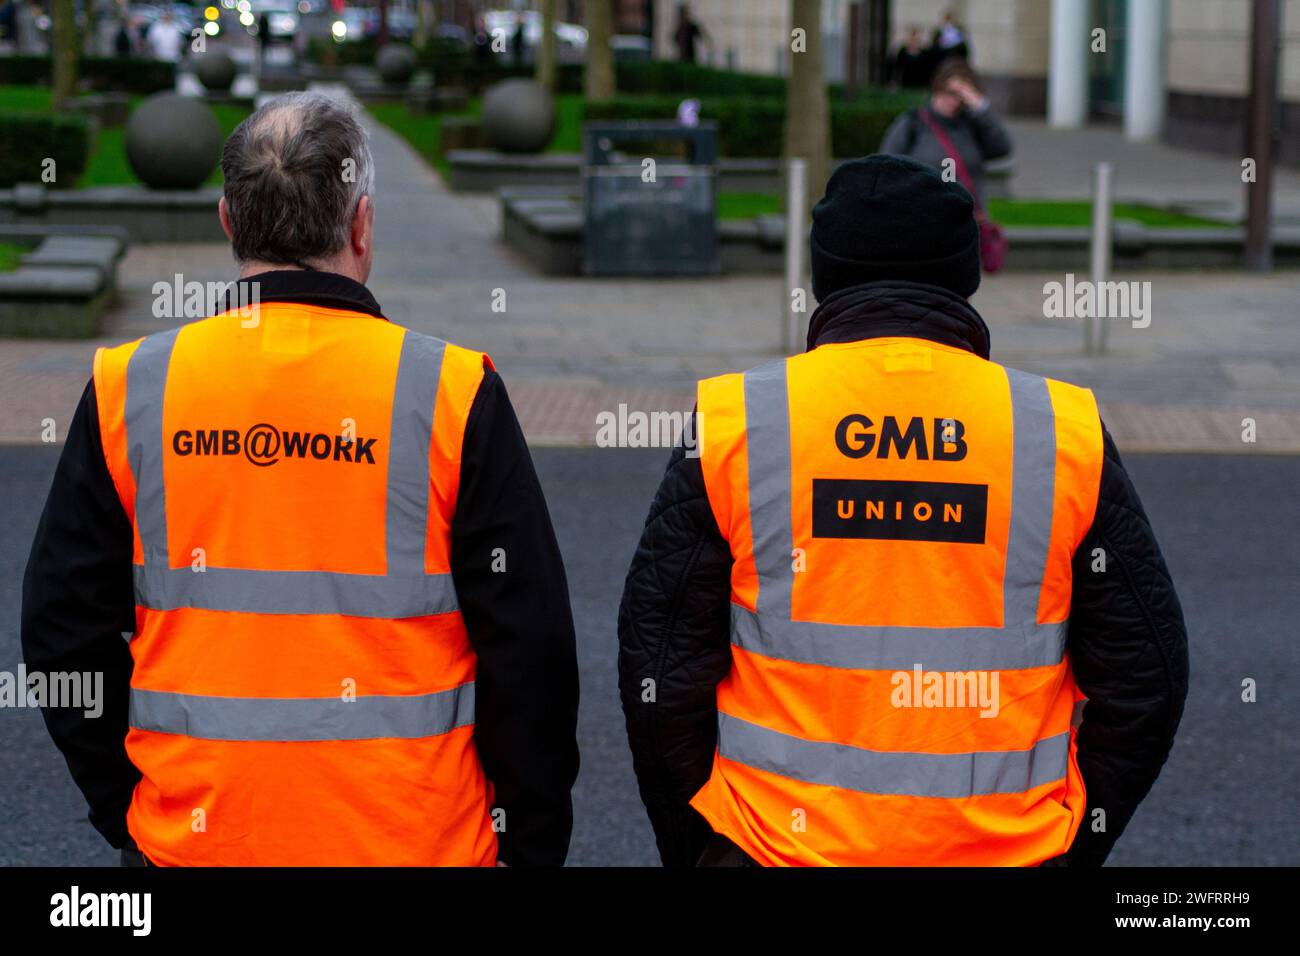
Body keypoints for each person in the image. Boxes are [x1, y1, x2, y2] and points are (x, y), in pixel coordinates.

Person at [22, 91, 580, 867]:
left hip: (197, 841)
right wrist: (533, 836)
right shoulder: (451, 392)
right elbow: (532, 654)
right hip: (414, 843)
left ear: (228, 220)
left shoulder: (133, 386)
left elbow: (59, 630)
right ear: (361, 225)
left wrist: (131, 804)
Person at [617, 154, 1189, 867]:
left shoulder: (738, 420)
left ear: (824, 275)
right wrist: (1076, 845)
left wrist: (705, 846)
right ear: (964, 275)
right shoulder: (1057, 429)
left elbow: (660, 669)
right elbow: (1148, 678)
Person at [879, 58, 1011, 207]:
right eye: (948, 92)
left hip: (966, 216)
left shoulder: (972, 124)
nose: (952, 100)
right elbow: (886, 163)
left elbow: (1002, 148)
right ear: (937, 88)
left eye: (959, 95)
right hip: (923, 213)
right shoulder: (913, 123)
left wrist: (981, 108)